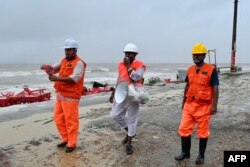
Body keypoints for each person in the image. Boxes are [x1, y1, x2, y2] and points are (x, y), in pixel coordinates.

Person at [175, 43, 219, 165]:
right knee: (184, 129)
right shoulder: (190, 69)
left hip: (204, 106)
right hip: (189, 105)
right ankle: (185, 153)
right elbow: (187, 86)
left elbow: (215, 87)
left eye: (198, 54)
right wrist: (183, 102)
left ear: (204, 55)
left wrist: (214, 105)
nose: (196, 56)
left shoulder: (211, 69)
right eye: (194, 54)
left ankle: (201, 156)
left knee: (203, 132)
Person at [41, 39, 86, 153]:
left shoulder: (79, 63)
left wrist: (57, 78)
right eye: (66, 50)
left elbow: (74, 79)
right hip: (60, 95)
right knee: (58, 118)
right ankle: (65, 139)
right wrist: (46, 68)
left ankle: (72, 143)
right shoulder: (63, 61)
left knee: (71, 121)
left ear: (75, 50)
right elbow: (53, 69)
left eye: (69, 50)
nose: (67, 52)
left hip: (71, 97)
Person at [109, 43, 146, 155]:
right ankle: (130, 132)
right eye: (126, 53)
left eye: (130, 53)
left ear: (135, 54)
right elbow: (119, 79)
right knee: (115, 115)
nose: (127, 55)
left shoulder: (141, 65)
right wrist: (113, 93)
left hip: (134, 95)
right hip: (122, 92)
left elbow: (136, 77)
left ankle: (129, 143)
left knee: (132, 119)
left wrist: (129, 66)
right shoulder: (121, 65)